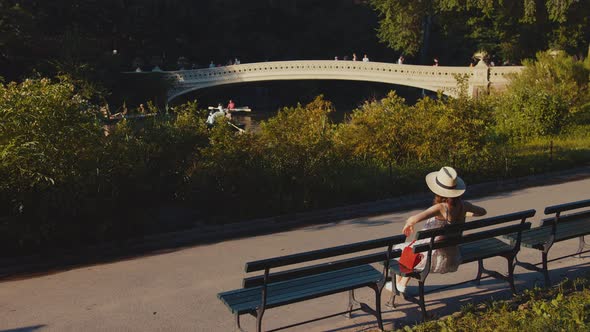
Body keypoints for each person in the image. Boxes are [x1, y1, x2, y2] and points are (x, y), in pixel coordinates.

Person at [386, 166, 487, 294]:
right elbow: (482, 212)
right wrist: (464, 214)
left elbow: (416, 218)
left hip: (433, 252)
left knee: (405, 249)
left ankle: (401, 284)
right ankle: (400, 283)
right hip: (451, 251)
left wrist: (409, 223)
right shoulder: (465, 205)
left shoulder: (441, 207)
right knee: (415, 248)